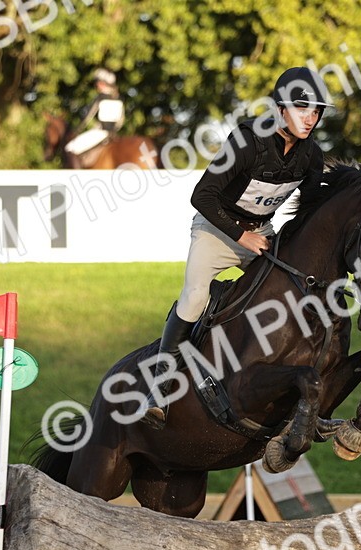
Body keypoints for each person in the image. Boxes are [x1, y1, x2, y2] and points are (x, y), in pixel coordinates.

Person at [140, 66, 332, 430]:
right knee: (195, 296)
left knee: (292, 296)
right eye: (302, 109)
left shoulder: (311, 156)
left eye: (316, 111)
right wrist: (241, 237)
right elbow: (202, 196)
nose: (311, 118)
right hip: (216, 229)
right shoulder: (246, 142)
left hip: (262, 233)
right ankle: (159, 388)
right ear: (279, 109)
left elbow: (308, 212)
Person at [64, 68, 125, 162]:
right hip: (114, 134)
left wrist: (77, 129)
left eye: (97, 82)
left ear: (102, 83)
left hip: (101, 132)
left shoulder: (100, 97)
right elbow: (120, 121)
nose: (96, 85)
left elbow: (88, 116)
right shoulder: (119, 98)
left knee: (70, 148)